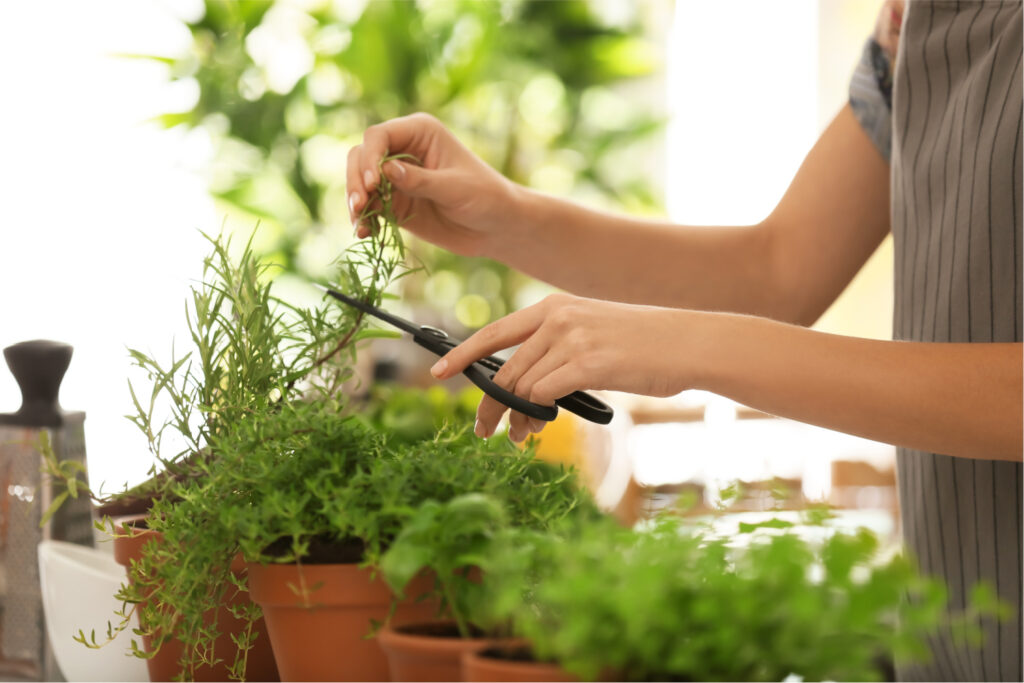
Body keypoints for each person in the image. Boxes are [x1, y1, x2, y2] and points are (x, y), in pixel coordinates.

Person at [346, 2, 1021, 680]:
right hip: (948, 645)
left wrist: (686, 347)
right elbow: (778, 270)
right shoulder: (914, 20)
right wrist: (504, 219)